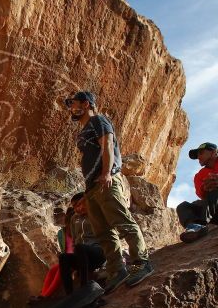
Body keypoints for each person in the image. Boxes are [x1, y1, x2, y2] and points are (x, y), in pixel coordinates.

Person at [64, 91, 153, 293]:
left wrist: (106, 173)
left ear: (86, 104)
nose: (70, 107)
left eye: (73, 103)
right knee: (104, 232)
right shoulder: (85, 129)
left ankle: (142, 262)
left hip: (106, 180)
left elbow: (108, 145)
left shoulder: (98, 121)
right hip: (92, 187)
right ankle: (117, 271)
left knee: (122, 221)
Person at [59, 192, 105, 294]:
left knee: (80, 247)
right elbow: (75, 239)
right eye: (74, 206)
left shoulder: (97, 213)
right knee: (63, 257)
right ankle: (69, 294)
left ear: (87, 202)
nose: (77, 209)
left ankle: (84, 286)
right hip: (82, 256)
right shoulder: (74, 218)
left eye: (79, 204)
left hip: (98, 253)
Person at [30, 204, 75, 303]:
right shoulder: (61, 233)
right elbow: (64, 250)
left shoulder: (79, 230)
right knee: (52, 270)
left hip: (76, 258)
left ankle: (45, 297)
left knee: (60, 269)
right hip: (67, 258)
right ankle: (42, 294)